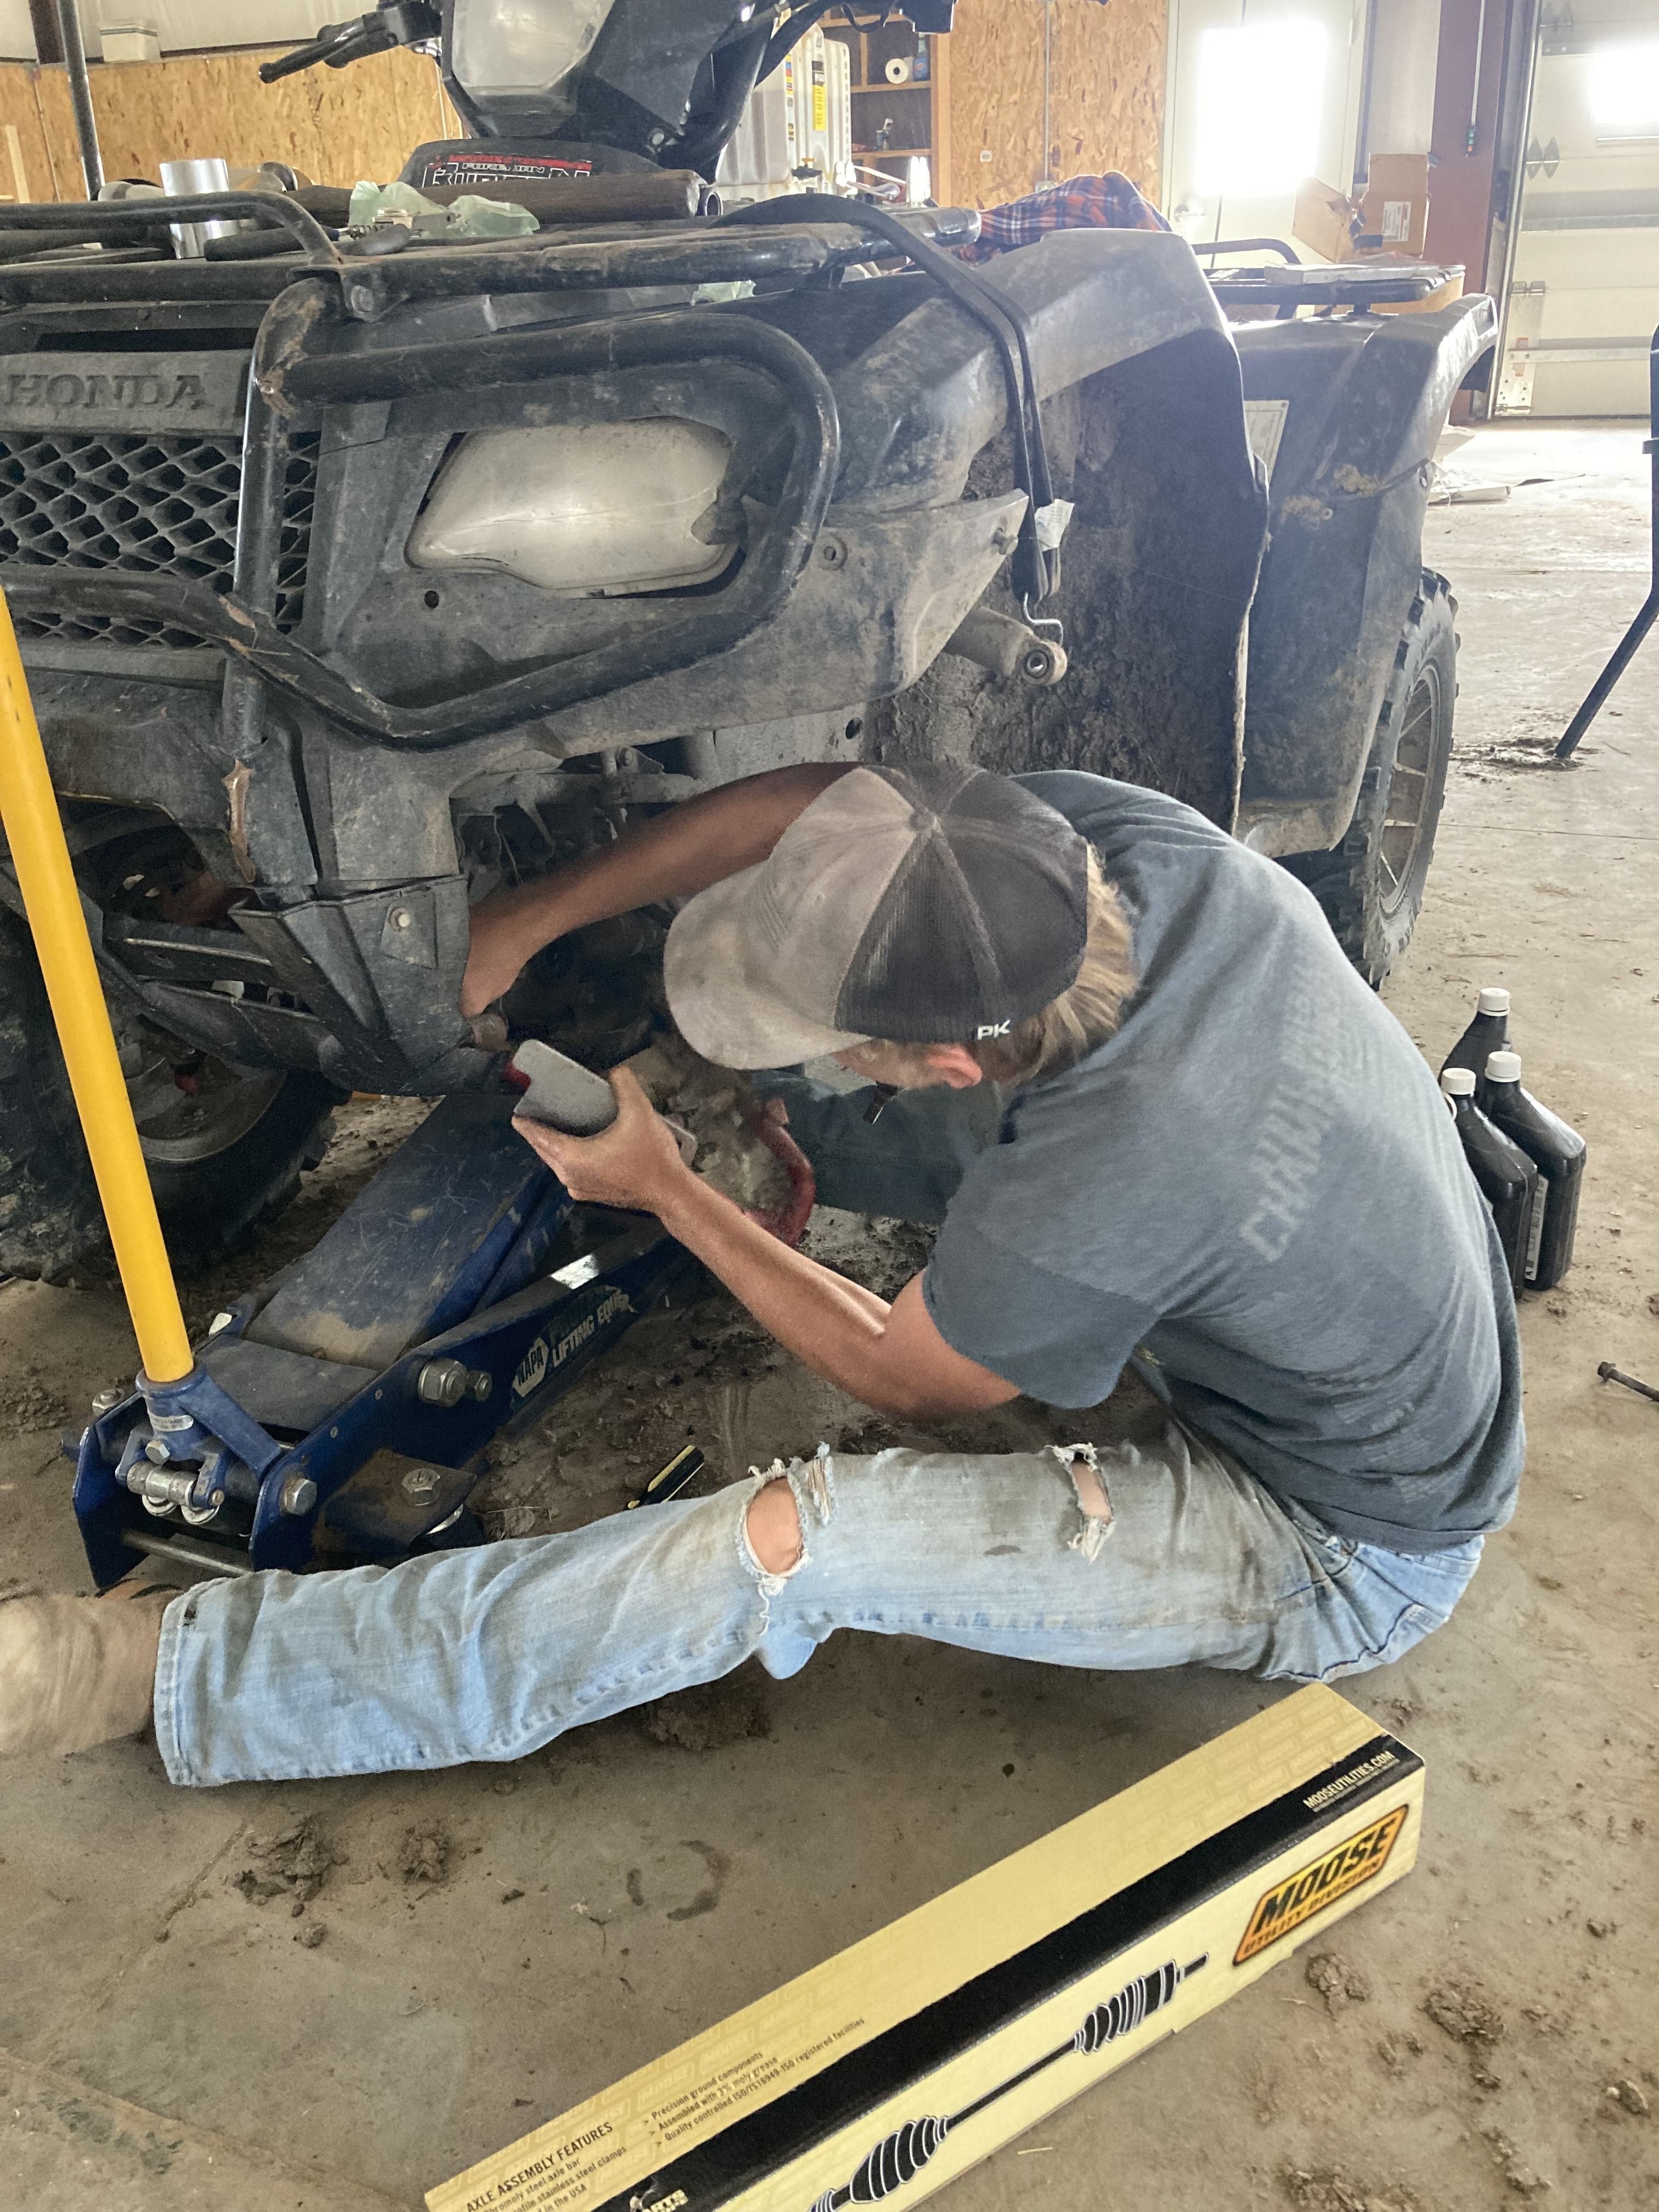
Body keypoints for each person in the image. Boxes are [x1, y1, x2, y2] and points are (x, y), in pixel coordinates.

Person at [1, 764, 1523, 1778]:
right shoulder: (1101, 856)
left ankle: (173, 1677)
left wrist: (668, 1190)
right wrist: (525, 920)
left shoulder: (1131, 1156)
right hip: (1349, 1328)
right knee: (850, 1153)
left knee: (807, 1537)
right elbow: (814, 802)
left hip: (1344, 1541)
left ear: (947, 1053)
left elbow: (905, 1380)